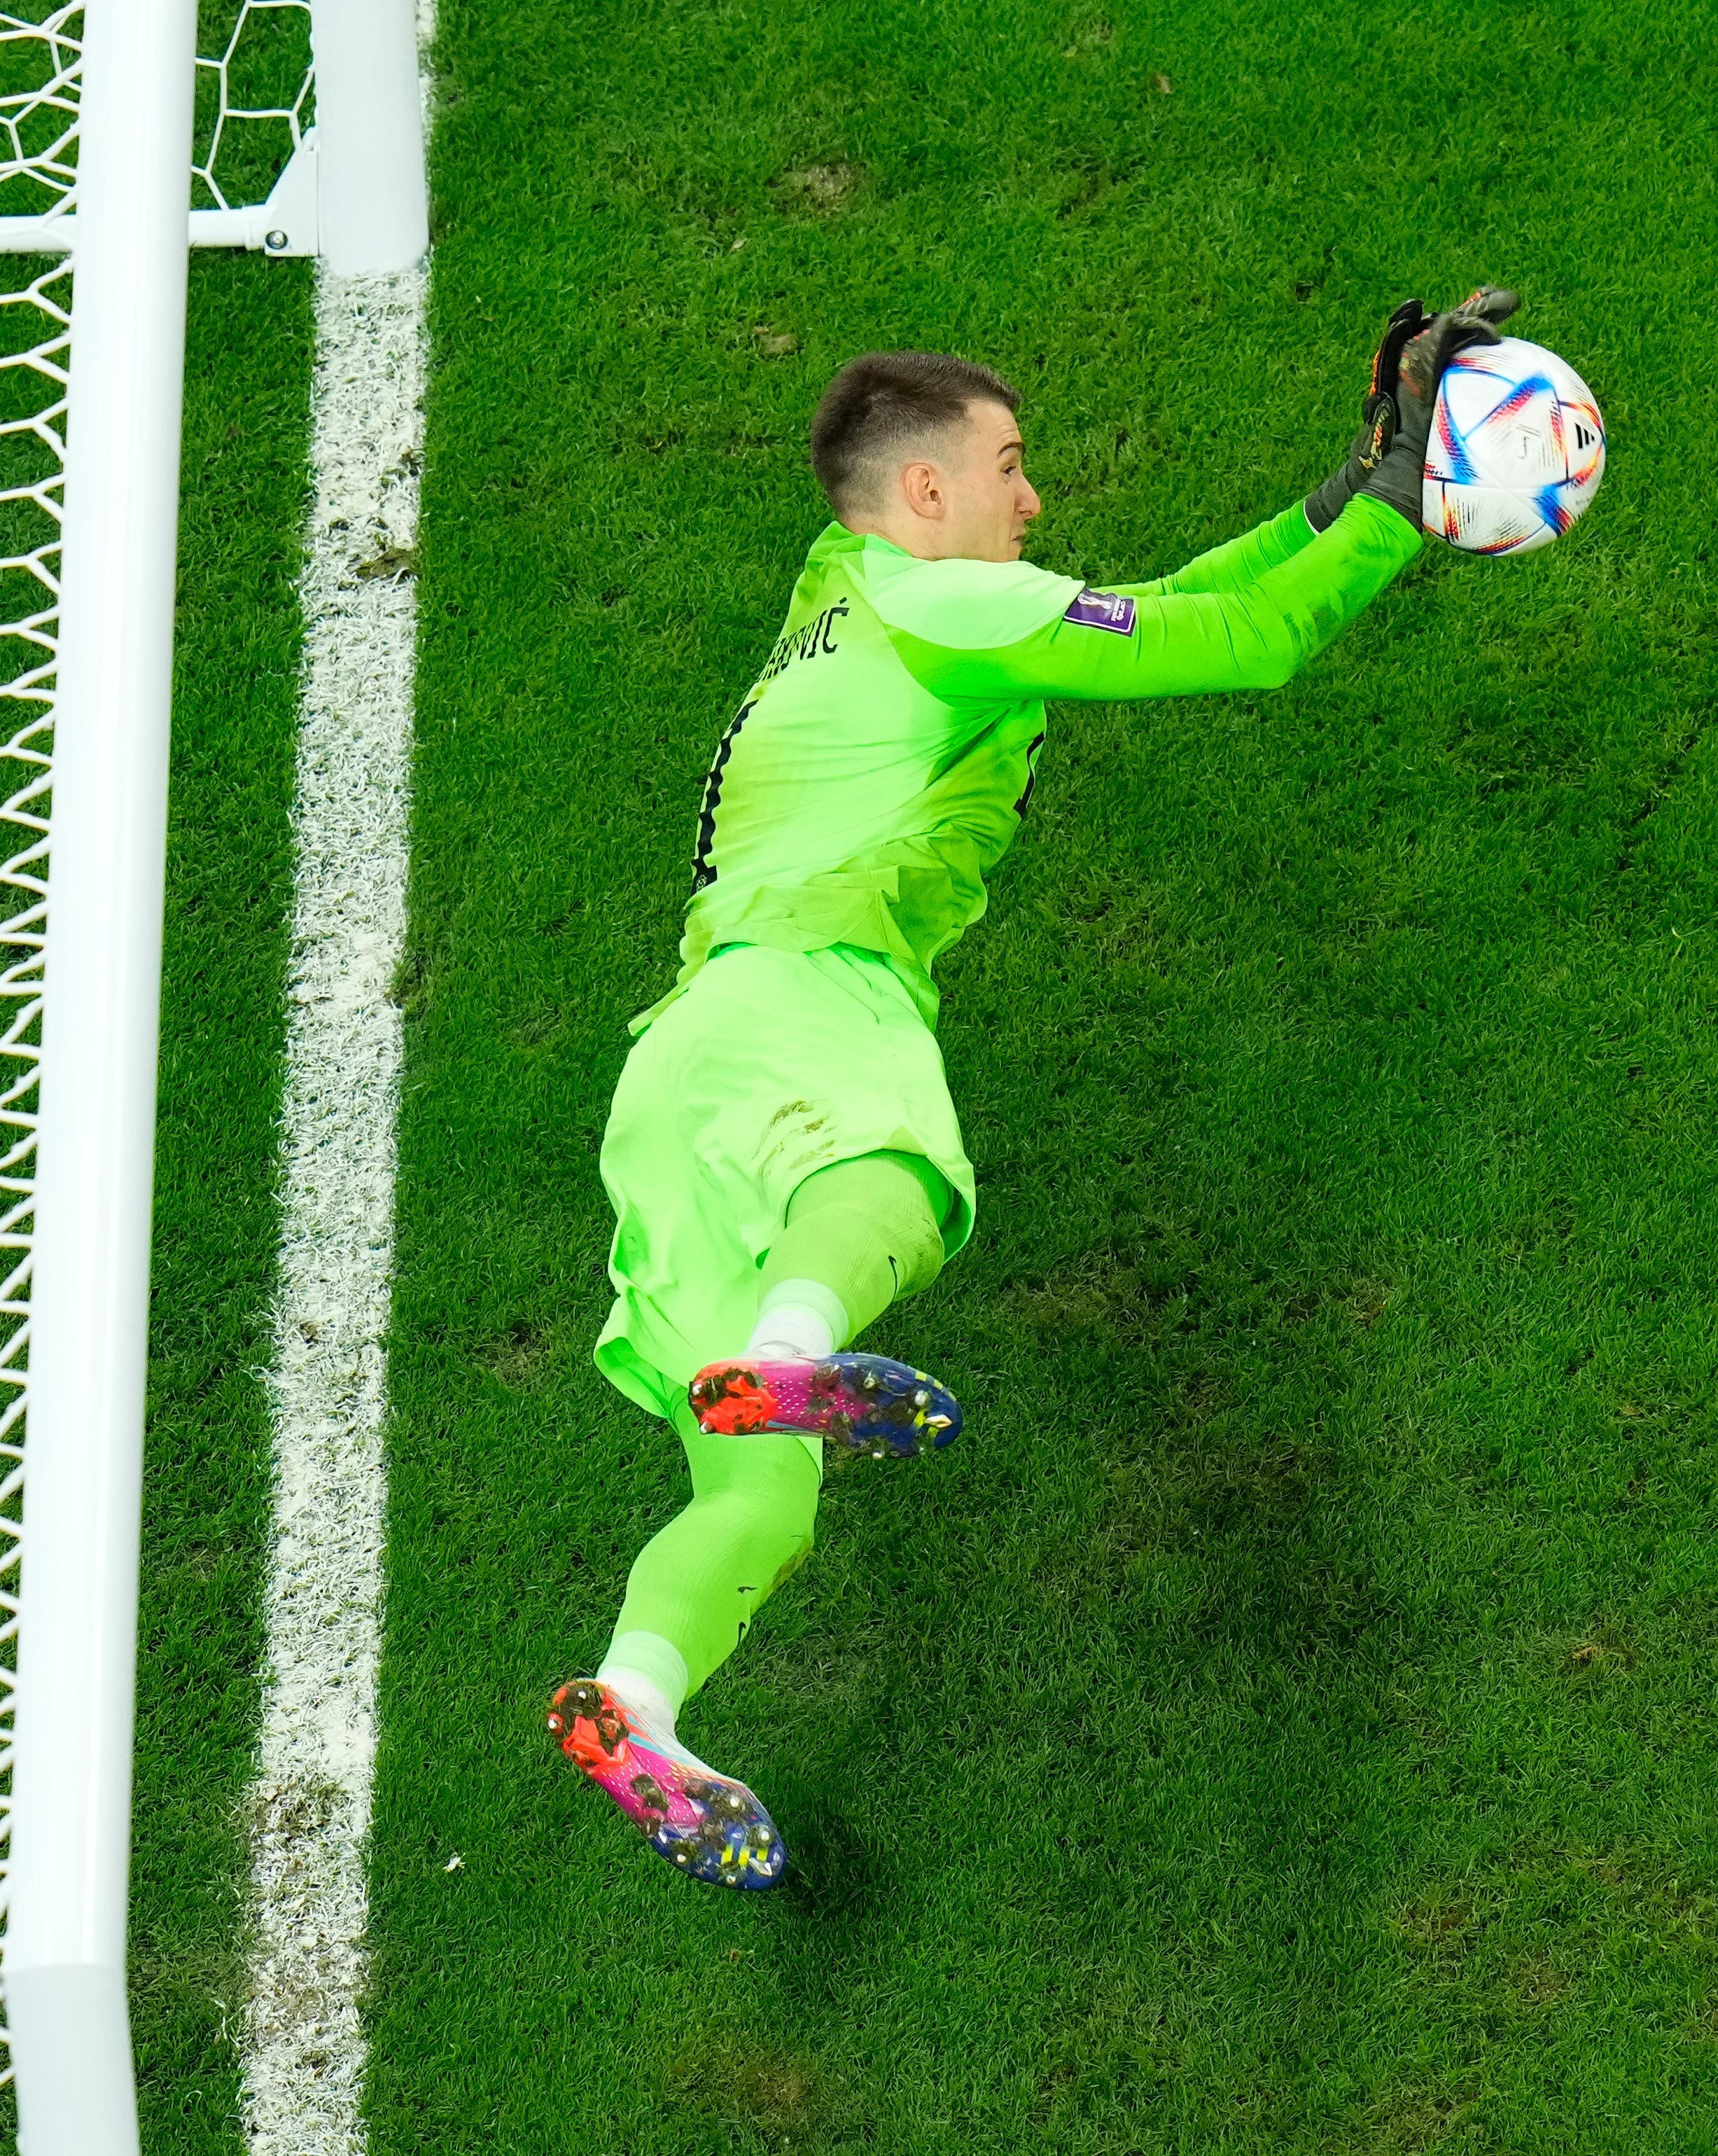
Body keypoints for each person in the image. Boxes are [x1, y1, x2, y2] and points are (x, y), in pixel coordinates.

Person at [546, 287, 1524, 1887]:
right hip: (812, 987)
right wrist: (1405, 512)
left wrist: (1341, 489)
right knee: (899, 1184)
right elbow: (1243, 644)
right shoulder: (952, 611)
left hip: (673, 1074)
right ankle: (793, 1349)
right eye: (1007, 465)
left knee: (758, 1497)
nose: (1032, 497)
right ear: (923, 491)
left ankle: (634, 1704)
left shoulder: (850, 592)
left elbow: (1143, 608)